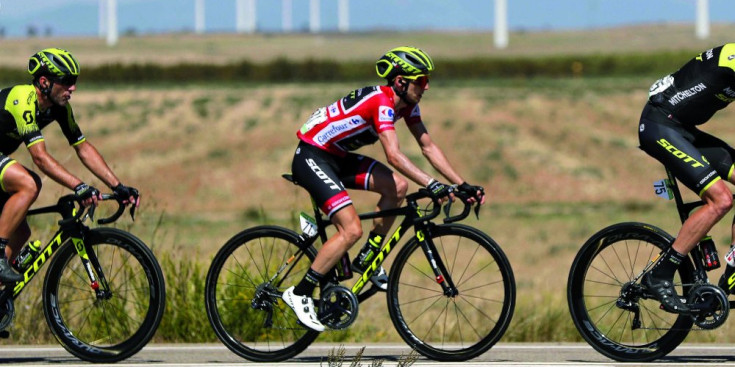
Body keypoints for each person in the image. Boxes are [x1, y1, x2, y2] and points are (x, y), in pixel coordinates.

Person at [282, 46, 486, 331]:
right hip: (312, 156)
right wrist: (432, 184)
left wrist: (460, 184)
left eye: (427, 80)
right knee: (351, 229)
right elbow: (393, 155)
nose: (426, 87)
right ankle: (299, 292)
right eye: (421, 81)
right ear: (401, 82)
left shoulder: (408, 106)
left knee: (398, 187)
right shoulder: (381, 102)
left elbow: (427, 146)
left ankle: (369, 257)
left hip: (337, 157)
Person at [0, 48, 140, 282]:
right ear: (44, 82)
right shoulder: (23, 99)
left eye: (74, 81)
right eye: (66, 82)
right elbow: (40, 158)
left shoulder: (60, 109)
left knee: (21, 231)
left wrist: (118, 186)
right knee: (29, 183)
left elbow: (83, 148)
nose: (72, 88)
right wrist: (79, 186)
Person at [639, 43, 735, 313]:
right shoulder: (732, 58)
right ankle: (660, 273)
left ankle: (732, 273)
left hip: (684, 129)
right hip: (660, 125)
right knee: (721, 200)